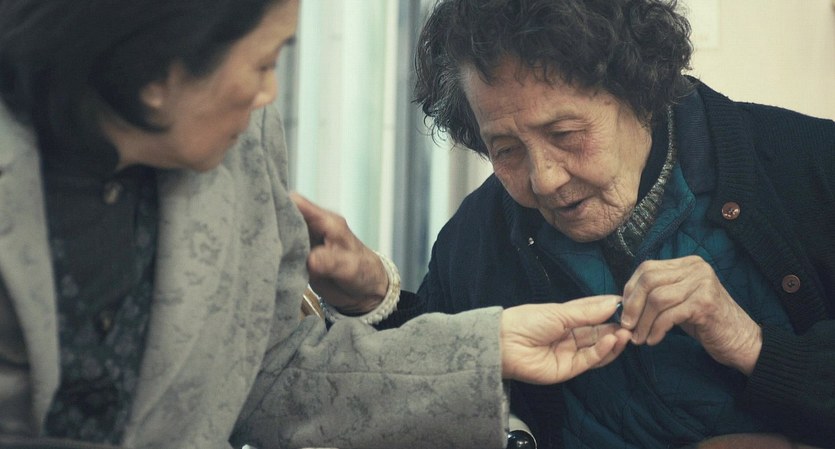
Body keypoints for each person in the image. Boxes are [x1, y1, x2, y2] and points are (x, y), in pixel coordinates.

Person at [0, 0, 633, 448]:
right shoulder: (474, 236)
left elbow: (275, 369)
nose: (270, 95)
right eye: (262, 63)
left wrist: (485, 346)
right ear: (156, 74)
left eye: (566, 133)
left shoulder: (245, 143)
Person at [296, 0, 835, 448]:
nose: (545, 180)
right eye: (506, 149)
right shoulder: (475, 237)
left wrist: (752, 343)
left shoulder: (809, 166)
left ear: (640, 93)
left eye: (566, 134)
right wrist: (372, 301)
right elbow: (433, 397)